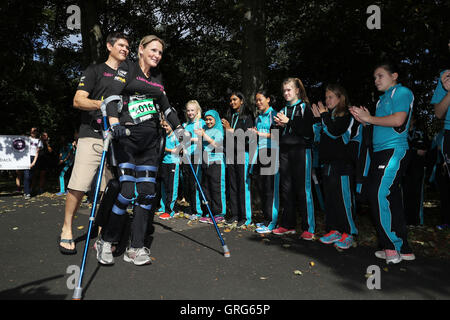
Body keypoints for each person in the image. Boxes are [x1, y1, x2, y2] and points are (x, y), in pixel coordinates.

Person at [96, 34, 186, 266]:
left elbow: (166, 108)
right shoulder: (127, 68)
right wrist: (114, 123)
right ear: (141, 50)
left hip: (150, 142)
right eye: (153, 50)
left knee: (146, 192)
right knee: (126, 191)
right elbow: (112, 97)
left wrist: (180, 131)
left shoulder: (157, 77)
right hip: (126, 138)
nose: (157, 55)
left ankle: (135, 247)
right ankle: (106, 240)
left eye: (160, 52)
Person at [58, 32, 130, 255]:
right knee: (79, 184)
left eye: (128, 46)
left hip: (117, 139)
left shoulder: (129, 74)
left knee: (108, 189)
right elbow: (77, 100)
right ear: (109, 46)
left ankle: (102, 231)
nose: (125, 49)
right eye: (121, 45)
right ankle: (67, 227)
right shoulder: (95, 70)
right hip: (92, 134)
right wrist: (104, 105)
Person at [350, 62, 415, 264]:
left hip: (394, 150)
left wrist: (370, 117)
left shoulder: (402, 92)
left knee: (377, 193)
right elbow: (382, 124)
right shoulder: (381, 101)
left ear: (394, 75)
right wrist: (366, 121)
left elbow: (398, 121)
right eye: (374, 77)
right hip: (380, 153)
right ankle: (403, 248)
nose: (376, 80)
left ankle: (390, 246)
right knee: (392, 197)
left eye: (380, 76)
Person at [312, 84, 358, 250]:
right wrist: (318, 120)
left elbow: (334, 132)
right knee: (330, 199)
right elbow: (318, 138)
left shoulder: (347, 115)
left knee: (343, 199)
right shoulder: (328, 116)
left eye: (331, 97)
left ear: (340, 98)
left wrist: (323, 116)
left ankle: (348, 232)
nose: (327, 100)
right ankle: (334, 229)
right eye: (326, 97)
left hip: (342, 165)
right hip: (327, 164)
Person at [273, 78, 316, 240]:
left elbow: (308, 132)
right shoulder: (283, 109)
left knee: (303, 190)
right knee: (286, 189)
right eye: (284, 90)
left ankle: (309, 227)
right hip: (284, 152)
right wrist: (277, 125)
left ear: (297, 90)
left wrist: (289, 122)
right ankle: (287, 224)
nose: (286, 93)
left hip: (301, 151)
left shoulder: (305, 107)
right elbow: (276, 134)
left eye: (289, 90)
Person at [249, 90, 280, 234]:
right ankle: (266, 219)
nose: (258, 102)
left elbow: (276, 135)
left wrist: (259, 133)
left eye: (261, 99)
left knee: (270, 190)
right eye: (256, 100)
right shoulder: (258, 117)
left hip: (271, 153)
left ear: (268, 99)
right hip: (259, 154)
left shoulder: (275, 115)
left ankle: (272, 222)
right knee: (262, 189)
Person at [222, 92, 254, 227]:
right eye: (230, 100)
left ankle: (245, 217)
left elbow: (248, 138)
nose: (232, 102)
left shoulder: (247, 117)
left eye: (235, 99)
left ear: (241, 101)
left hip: (243, 153)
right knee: (233, 185)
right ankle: (235, 214)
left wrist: (230, 130)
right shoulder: (230, 116)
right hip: (231, 154)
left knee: (243, 185)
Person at [195, 109, 226, 224]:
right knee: (206, 188)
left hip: (216, 162)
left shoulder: (218, 131)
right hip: (206, 162)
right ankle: (208, 212)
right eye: (206, 119)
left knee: (217, 188)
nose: (208, 121)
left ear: (215, 119)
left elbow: (217, 145)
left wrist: (204, 135)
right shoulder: (205, 130)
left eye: (210, 119)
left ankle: (219, 213)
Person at [402, 116, 429, 226]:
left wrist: (414, 150)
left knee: (417, 194)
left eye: (411, 118)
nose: (410, 120)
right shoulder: (401, 132)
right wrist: (414, 151)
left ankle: (417, 221)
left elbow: (424, 149)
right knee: (404, 194)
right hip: (404, 169)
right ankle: (405, 220)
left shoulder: (421, 133)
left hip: (418, 169)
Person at [181, 100, 205, 220]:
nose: (190, 112)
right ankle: (191, 208)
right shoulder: (185, 125)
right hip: (186, 156)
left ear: (197, 111)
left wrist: (191, 140)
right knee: (187, 183)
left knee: (194, 183)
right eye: (188, 110)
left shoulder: (201, 123)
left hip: (197, 156)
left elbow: (205, 139)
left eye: (192, 110)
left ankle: (198, 211)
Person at [158, 119, 182, 220]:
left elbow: (179, 148)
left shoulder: (175, 136)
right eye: (163, 126)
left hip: (173, 163)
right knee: (164, 186)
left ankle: (170, 210)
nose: (165, 128)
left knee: (172, 187)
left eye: (167, 126)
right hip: (164, 162)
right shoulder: (163, 136)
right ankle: (163, 207)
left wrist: (168, 149)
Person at [23, 127, 42, 199]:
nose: (33, 132)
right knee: (27, 176)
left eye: (34, 131)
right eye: (31, 131)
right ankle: (27, 193)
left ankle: (27, 190)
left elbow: (37, 152)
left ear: (36, 132)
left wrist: (34, 162)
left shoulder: (39, 141)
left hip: (33, 158)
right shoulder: (26, 139)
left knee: (30, 176)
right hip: (25, 158)